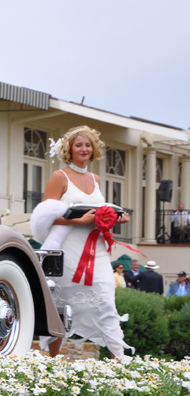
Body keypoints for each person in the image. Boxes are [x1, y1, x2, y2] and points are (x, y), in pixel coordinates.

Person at [31, 125, 132, 361]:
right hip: (68, 249)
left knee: (106, 299)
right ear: (69, 149)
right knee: (61, 304)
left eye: (88, 145)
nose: (84, 149)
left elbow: (99, 215)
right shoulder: (60, 176)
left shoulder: (96, 179)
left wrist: (115, 219)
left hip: (95, 247)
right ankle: (53, 361)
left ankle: (120, 361)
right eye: (79, 145)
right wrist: (78, 219)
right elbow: (42, 217)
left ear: (94, 149)